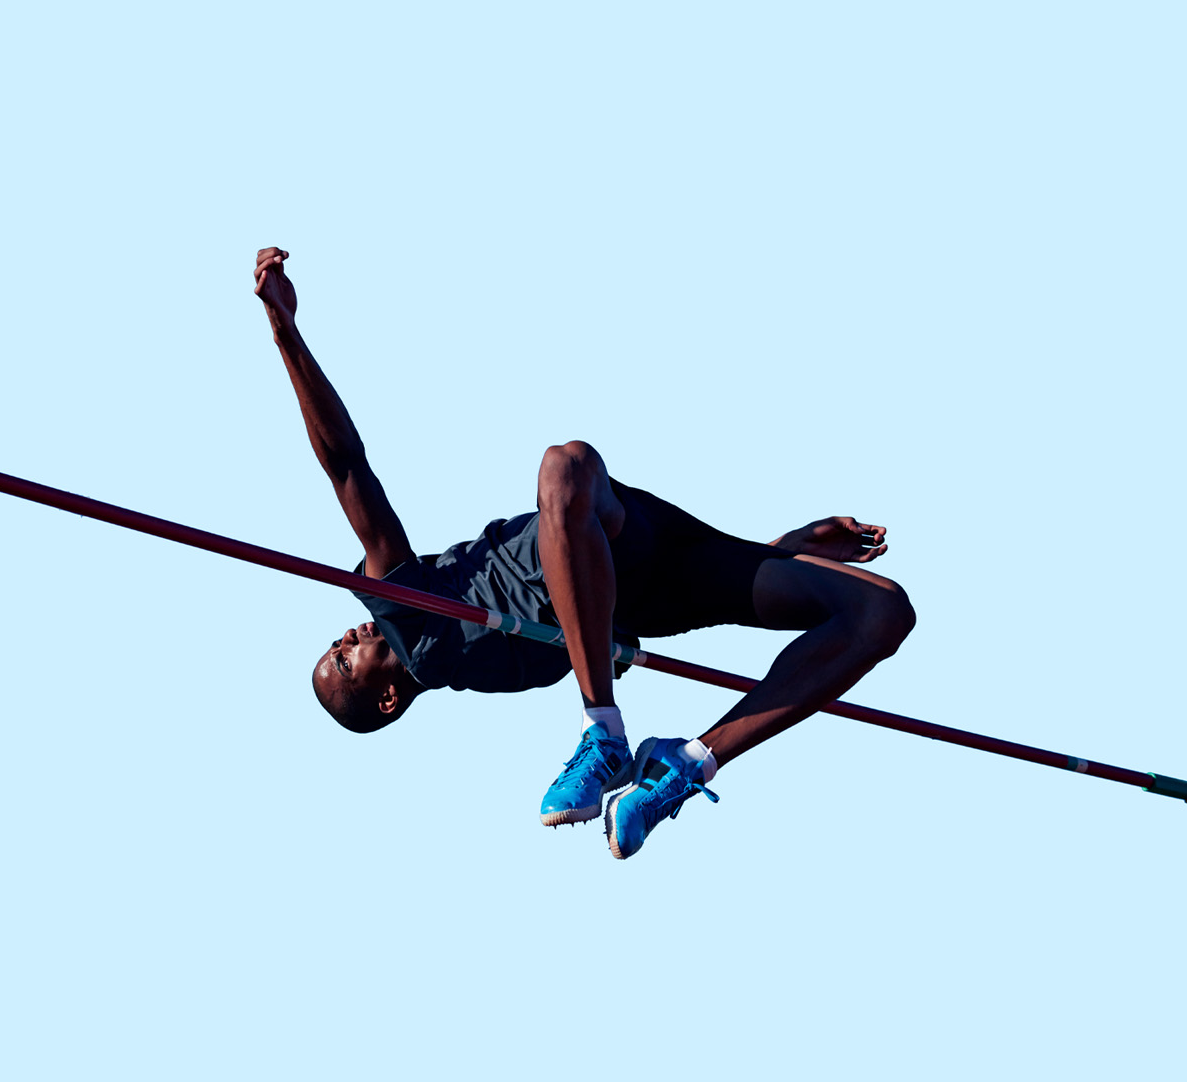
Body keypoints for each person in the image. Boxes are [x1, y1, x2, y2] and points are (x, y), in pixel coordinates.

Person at [255, 246, 916, 859]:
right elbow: (346, 467)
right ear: (387, 699)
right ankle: (658, 751)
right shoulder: (410, 621)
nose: (348, 635)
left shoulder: (442, 616)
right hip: (645, 581)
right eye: (343, 657)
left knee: (882, 610)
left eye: (337, 642)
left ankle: (647, 751)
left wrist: (778, 550)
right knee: (566, 467)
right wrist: (286, 333)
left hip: (644, 538)